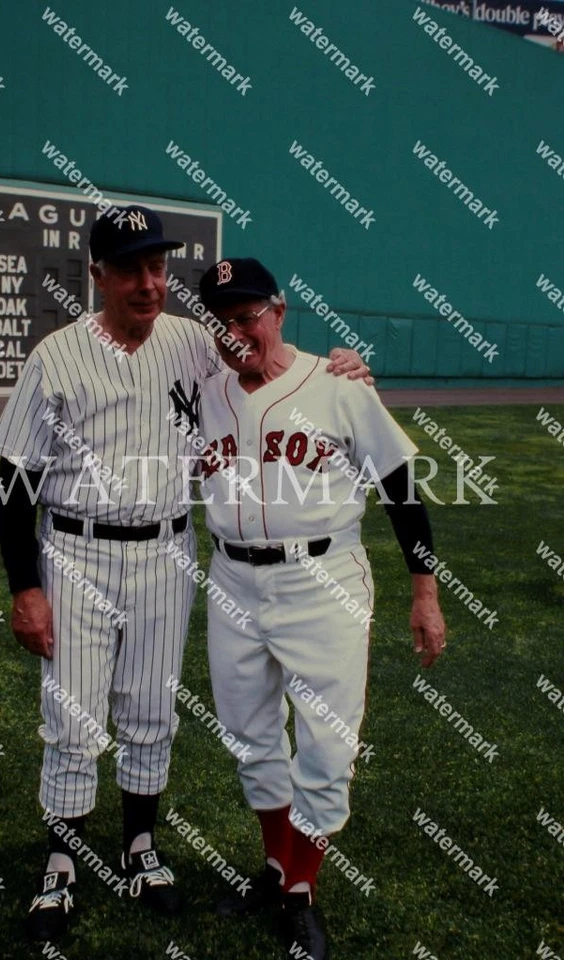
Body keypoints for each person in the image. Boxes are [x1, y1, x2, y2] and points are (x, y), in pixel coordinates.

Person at [0, 206, 371, 940]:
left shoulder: (195, 342)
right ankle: (62, 864)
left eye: (158, 266)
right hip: (76, 548)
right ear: (96, 274)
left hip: (167, 548)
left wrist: (339, 365)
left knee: (151, 710)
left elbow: (266, 357)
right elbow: (13, 483)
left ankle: (140, 850)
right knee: (73, 714)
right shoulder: (55, 356)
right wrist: (25, 586)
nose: (147, 281)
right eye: (129, 267)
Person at [191, 257, 446, 960]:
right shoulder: (205, 392)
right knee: (249, 735)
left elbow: (401, 488)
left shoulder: (337, 384)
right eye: (221, 321)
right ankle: (277, 869)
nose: (235, 332)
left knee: (327, 742)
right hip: (233, 579)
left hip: (323, 577)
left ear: (279, 309)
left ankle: (302, 887)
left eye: (247, 316)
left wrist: (424, 592)